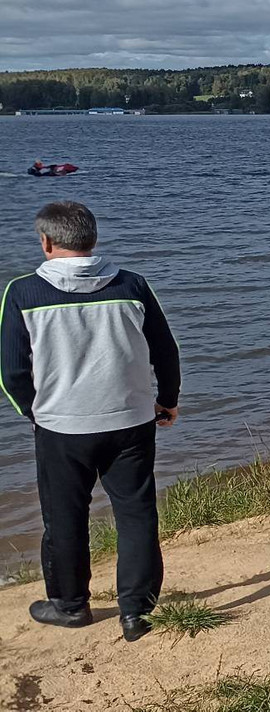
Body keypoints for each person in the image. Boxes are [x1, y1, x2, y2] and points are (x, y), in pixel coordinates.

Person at [1, 201, 180, 642]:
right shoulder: (132, 285)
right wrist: (167, 400)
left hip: (61, 428)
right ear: (93, 238)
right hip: (130, 422)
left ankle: (70, 606)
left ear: (46, 242)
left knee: (64, 518)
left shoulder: (23, 292)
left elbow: (12, 372)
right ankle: (136, 613)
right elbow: (165, 350)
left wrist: (34, 413)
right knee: (136, 514)